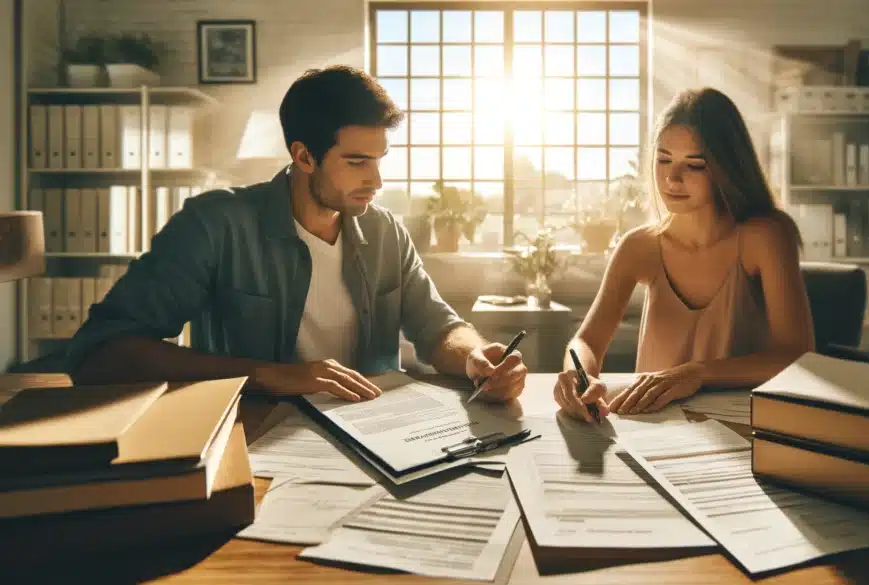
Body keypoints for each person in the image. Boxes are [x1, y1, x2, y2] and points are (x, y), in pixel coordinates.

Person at [66, 65, 527, 403]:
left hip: (377, 431)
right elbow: (100, 352)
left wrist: (474, 357)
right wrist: (268, 374)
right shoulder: (214, 225)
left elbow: (438, 327)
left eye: (379, 159)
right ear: (304, 156)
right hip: (256, 431)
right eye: (356, 162)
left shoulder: (385, 231)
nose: (377, 181)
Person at [553, 87, 814, 421]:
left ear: (726, 168)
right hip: (654, 429)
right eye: (663, 160)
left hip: (742, 431)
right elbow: (586, 340)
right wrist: (578, 373)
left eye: (694, 164)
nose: (672, 178)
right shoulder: (639, 247)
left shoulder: (765, 237)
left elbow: (796, 355)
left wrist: (698, 373)